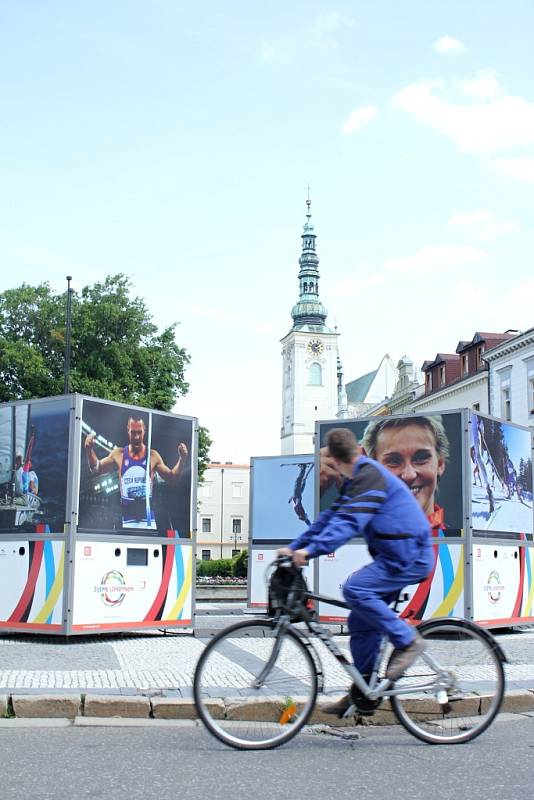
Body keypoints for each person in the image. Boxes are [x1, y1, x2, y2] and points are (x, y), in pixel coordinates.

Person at [278, 427, 433, 717]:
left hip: (409, 556)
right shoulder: (356, 478)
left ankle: (408, 641)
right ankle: (363, 691)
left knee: (356, 589)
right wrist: (296, 546)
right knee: (361, 621)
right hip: (394, 555)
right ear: (358, 450)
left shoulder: (369, 477)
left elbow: (349, 523)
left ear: (335, 460)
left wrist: (310, 552)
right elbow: (329, 518)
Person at [85, 416, 189, 529]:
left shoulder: (153, 456)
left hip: (148, 522)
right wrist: (89, 450)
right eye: (133, 433)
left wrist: (182, 459)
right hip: (125, 521)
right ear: (128, 431)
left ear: (144, 431)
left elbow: (172, 479)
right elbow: (96, 469)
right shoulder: (118, 454)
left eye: (139, 432)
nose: (136, 437)